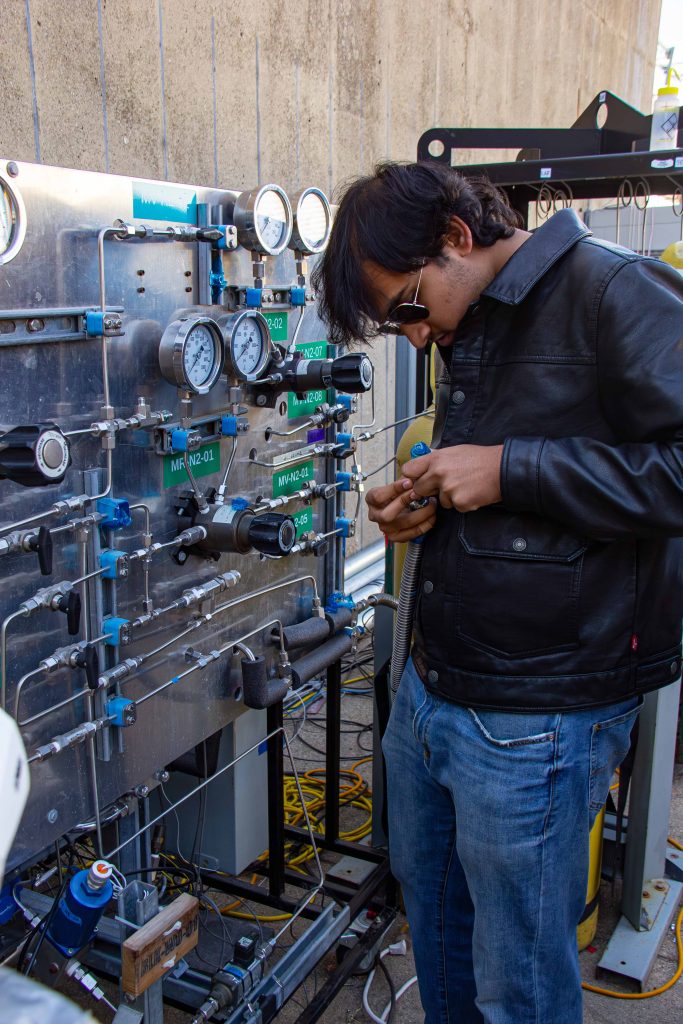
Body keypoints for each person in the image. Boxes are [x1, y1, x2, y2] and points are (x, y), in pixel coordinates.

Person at [312, 161, 683, 1024]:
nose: (412, 338)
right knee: (439, 935)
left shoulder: (613, 292)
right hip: (436, 688)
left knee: (517, 981)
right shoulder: (472, 316)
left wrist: (513, 469)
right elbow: (504, 479)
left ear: (455, 236)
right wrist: (425, 504)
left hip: (538, 714)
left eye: (407, 307)